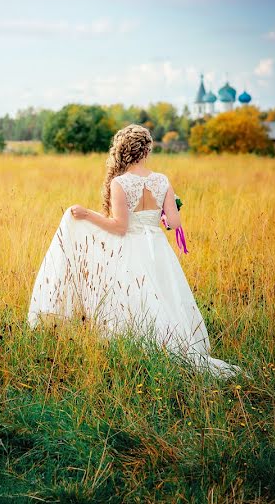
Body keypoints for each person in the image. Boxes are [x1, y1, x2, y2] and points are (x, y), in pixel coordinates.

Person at [27, 124, 242, 378]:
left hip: (131, 248)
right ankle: (173, 344)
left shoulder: (120, 183)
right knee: (164, 296)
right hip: (158, 249)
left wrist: (87, 215)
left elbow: (119, 226)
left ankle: (143, 348)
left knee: (135, 299)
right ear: (147, 150)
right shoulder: (162, 181)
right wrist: (163, 211)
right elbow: (174, 224)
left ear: (122, 151)